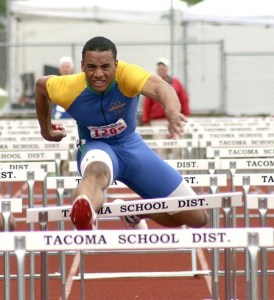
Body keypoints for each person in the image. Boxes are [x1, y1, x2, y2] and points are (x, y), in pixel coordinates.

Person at [35, 36, 208, 231]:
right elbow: (41, 86)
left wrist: (172, 112)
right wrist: (46, 130)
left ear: (116, 65)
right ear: (82, 66)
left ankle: (132, 211)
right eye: (91, 67)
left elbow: (162, 87)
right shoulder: (68, 87)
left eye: (105, 67)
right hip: (95, 147)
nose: (98, 74)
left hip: (132, 147)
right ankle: (84, 213)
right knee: (96, 172)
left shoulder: (127, 74)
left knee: (196, 217)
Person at [141, 58, 190, 159]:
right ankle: (162, 173)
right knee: (160, 149)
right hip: (157, 121)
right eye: (159, 68)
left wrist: (186, 115)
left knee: (177, 148)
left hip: (175, 119)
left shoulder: (176, 83)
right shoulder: (152, 83)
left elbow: (184, 99)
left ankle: (180, 173)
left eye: (163, 68)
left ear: (168, 69)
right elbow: (147, 104)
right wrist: (145, 120)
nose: (161, 70)